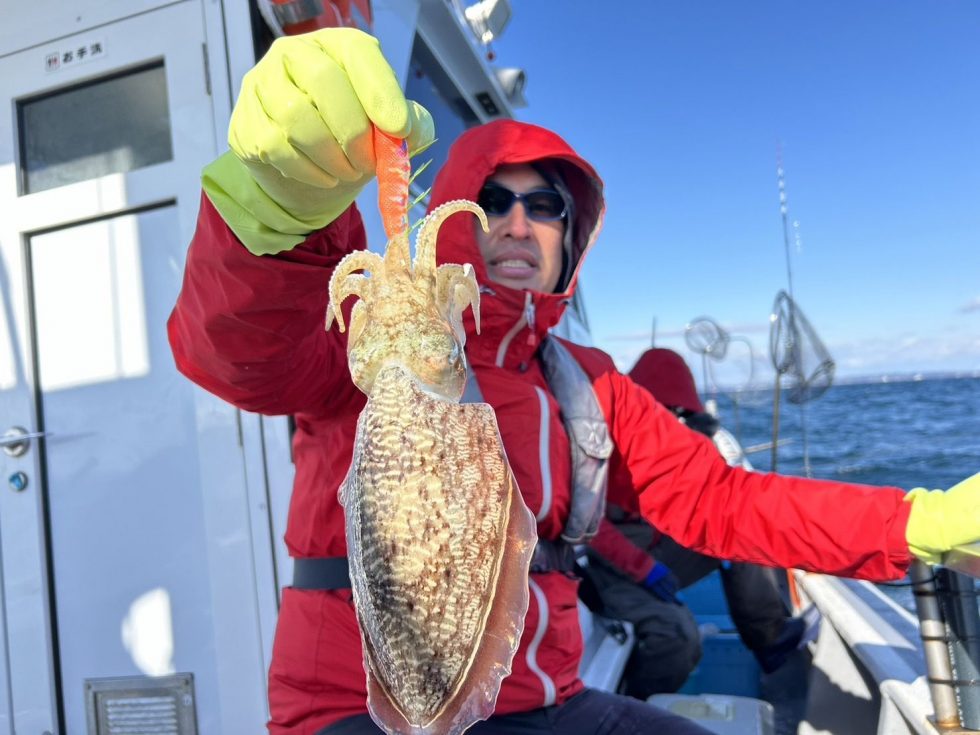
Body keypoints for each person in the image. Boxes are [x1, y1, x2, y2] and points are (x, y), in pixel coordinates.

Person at [167, 28, 980, 735]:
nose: (518, 221)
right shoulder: (364, 343)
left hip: (541, 699)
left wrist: (916, 521)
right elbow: (240, 348)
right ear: (458, 212)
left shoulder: (585, 384)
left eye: (545, 204)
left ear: (571, 233)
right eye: (492, 200)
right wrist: (281, 210)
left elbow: (725, 503)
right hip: (355, 702)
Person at [581, 347, 812, 700]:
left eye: (678, 412)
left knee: (739, 529)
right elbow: (587, 525)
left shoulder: (686, 439)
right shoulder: (598, 443)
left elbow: (716, 495)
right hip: (612, 565)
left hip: (659, 549)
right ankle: (632, 708)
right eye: (662, 410)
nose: (670, 420)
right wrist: (644, 569)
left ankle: (770, 639)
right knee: (678, 639)